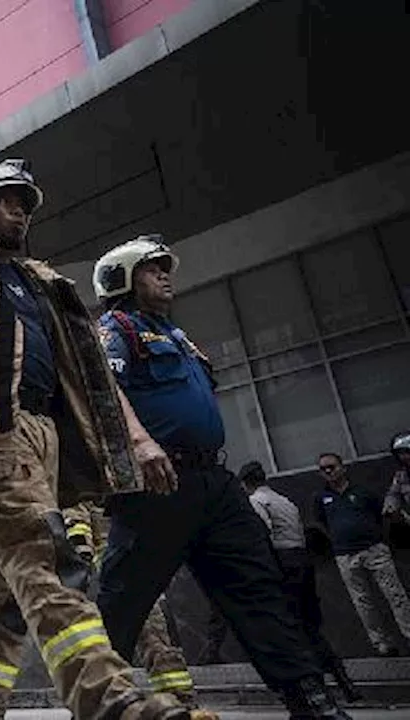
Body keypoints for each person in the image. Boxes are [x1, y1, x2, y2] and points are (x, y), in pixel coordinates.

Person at [0, 160, 200, 720]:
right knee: (51, 558)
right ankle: (110, 698)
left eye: (25, 204)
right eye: (7, 200)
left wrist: (128, 441)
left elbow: (93, 376)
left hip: (50, 441)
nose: (20, 211)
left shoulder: (44, 281)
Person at [92, 235, 349, 718]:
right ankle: (93, 704)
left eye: (165, 268)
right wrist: (142, 443)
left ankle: (311, 699)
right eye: (152, 269)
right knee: (121, 604)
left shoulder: (176, 336)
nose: (165, 275)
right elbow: (104, 389)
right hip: (156, 486)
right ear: (122, 279)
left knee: (259, 590)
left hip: (215, 485)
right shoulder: (114, 329)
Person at [240, 461, 359, 701]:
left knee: (291, 628)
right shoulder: (285, 501)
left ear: (245, 483)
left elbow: (263, 535)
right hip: (302, 561)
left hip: (282, 564)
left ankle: (315, 688)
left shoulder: (257, 502)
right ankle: (343, 681)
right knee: (309, 626)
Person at [65, 501, 199, 707]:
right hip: (138, 566)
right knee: (154, 635)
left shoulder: (84, 488)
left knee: (124, 637)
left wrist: (80, 562)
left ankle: (110, 700)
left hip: (116, 576)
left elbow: (77, 526)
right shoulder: (120, 491)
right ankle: (178, 695)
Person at [314, 452, 410, 657]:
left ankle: (409, 634)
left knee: (395, 594)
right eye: (323, 469)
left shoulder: (363, 491)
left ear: (343, 467)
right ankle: (381, 643)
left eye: (332, 466)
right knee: (362, 601)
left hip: (374, 549)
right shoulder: (321, 498)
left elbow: (378, 514)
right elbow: (322, 522)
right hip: (345, 556)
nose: (328, 471)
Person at [381, 431, 410, 531]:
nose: (404, 457)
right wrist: (391, 507)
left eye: (407, 452)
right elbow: (393, 494)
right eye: (400, 454)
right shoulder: (401, 476)